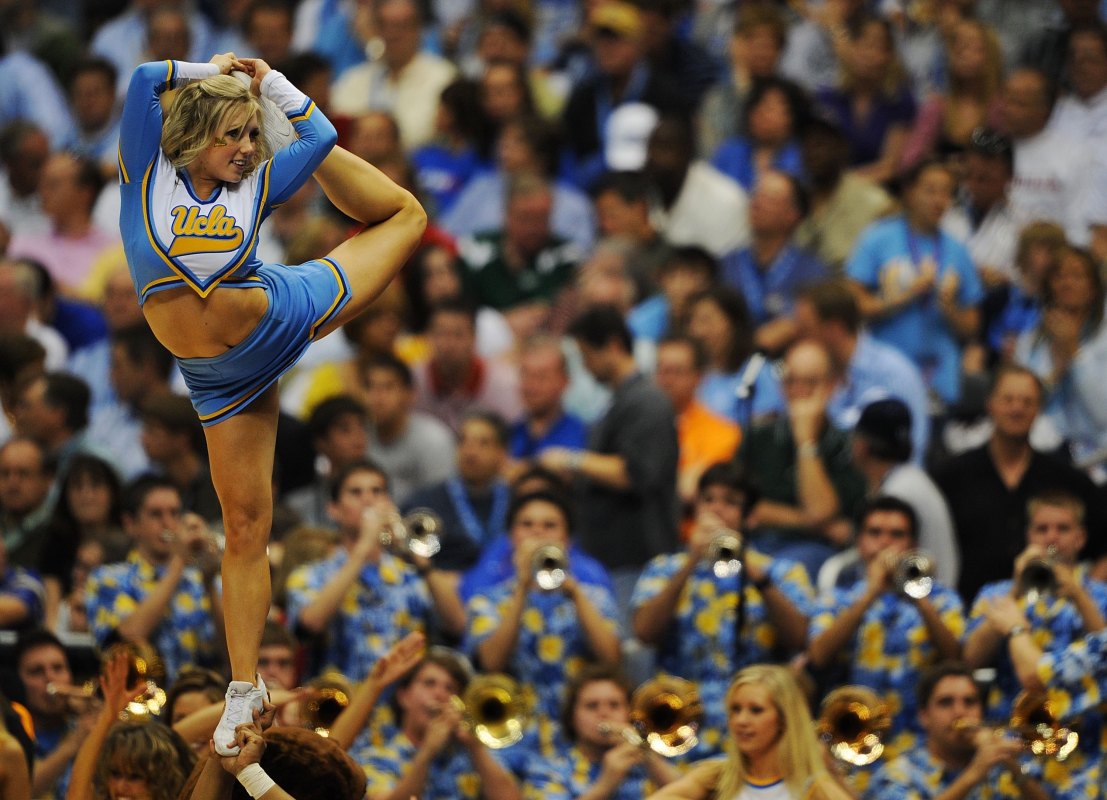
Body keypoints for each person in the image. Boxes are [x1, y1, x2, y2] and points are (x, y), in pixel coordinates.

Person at [118, 50, 425, 755]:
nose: (247, 148)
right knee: (245, 524)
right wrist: (214, 67)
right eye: (234, 135)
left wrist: (270, 88)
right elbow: (143, 81)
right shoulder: (144, 178)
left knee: (404, 216)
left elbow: (316, 142)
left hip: (281, 317)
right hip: (220, 381)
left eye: (253, 135)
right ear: (194, 136)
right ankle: (243, 686)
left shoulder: (251, 185)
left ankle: (244, 684)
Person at [631, 464, 813, 755]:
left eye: (730, 502)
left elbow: (799, 639)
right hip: (678, 724)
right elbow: (644, 632)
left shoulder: (782, 571)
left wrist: (753, 571)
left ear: (751, 517)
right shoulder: (665, 568)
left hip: (754, 724)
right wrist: (691, 561)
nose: (717, 509)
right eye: (708, 499)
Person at [807, 496, 965, 758]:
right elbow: (818, 655)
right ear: (860, 542)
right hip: (852, 740)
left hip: (921, 745)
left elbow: (956, 658)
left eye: (897, 534)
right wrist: (870, 593)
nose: (884, 543)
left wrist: (920, 600)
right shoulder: (837, 599)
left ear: (912, 545)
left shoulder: (941, 600)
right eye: (874, 533)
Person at [933, 365, 1106, 603]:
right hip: (970, 614)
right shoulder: (951, 476)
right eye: (1008, 399)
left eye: (1027, 401)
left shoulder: (1067, 479)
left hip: (1052, 619)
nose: (1017, 408)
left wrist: (1089, 594)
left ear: (1039, 409)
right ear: (990, 403)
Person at [463, 490, 621, 742]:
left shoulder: (594, 597)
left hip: (579, 734)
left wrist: (573, 591)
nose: (537, 533)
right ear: (511, 536)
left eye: (550, 525)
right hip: (513, 734)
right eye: (527, 524)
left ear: (567, 539)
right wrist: (523, 586)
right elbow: (491, 663)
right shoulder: (487, 600)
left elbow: (611, 659)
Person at [284, 460, 460, 679]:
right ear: (334, 510)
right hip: (335, 703)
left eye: (377, 491)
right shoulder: (309, 575)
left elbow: (457, 626)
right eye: (356, 492)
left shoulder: (408, 574)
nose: (368, 500)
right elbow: (309, 626)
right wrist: (364, 547)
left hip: (397, 706)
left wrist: (419, 558)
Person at [847, 158, 983, 407]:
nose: (939, 200)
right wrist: (905, 295)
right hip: (885, 369)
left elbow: (972, 327)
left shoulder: (958, 251)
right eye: (930, 190)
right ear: (909, 192)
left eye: (946, 193)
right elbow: (853, 305)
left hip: (940, 373)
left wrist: (950, 306)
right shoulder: (878, 238)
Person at [738, 339, 866, 578]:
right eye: (790, 381)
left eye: (810, 382)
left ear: (832, 385)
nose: (798, 391)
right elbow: (742, 506)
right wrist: (813, 522)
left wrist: (806, 443)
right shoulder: (758, 436)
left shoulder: (850, 445)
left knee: (786, 572)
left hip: (815, 550)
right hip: (757, 541)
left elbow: (820, 511)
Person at [85, 475, 224, 682]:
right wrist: (179, 562)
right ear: (130, 524)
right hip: (136, 707)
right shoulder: (106, 579)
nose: (168, 523)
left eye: (174, 513)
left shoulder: (201, 581)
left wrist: (209, 583)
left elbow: (229, 655)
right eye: (156, 514)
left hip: (199, 704)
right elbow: (130, 637)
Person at [645, 664, 854, 800]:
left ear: (783, 719)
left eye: (756, 710)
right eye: (735, 709)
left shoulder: (812, 787)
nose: (741, 721)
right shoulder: (715, 776)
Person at [865, 662, 1050, 800]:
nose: (960, 712)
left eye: (969, 702)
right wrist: (974, 774)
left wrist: (1012, 765)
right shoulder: (896, 774)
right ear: (924, 716)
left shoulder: (1002, 765)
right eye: (945, 702)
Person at [1014, 245, 1107, 478]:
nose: (1067, 283)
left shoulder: (1103, 339)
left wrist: (1075, 355)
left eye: (1077, 276)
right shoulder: (1031, 342)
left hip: (1098, 455)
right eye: (1059, 276)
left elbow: (1103, 413)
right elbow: (1023, 406)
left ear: (1094, 287)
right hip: (1046, 453)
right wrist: (1058, 369)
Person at [520, 665, 681, 798]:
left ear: (631, 714)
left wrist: (649, 757)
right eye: (592, 706)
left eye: (614, 705)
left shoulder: (653, 764)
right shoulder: (546, 769)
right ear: (572, 717)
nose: (604, 713)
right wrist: (605, 785)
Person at [653, 336, 741, 506]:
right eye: (661, 370)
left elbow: (688, 490)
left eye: (676, 371)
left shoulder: (723, 432)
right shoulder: (640, 424)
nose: (666, 380)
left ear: (698, 377)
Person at [363, 353, 458, 506]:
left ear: (410, 395)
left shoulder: (434, 440)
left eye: (388, 387)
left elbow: (442, 504)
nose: (377, 397)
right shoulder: (356, 437)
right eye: (370, 387)